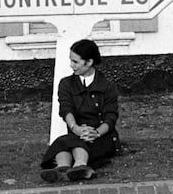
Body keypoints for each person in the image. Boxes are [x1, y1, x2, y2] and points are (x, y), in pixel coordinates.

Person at [40, 39, 120, 182]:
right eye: (71, 61)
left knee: (78, 142)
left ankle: (79, 165)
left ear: (88, 62)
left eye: (75, 62)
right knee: (65, 141)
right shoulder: (66, 84)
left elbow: (111, 117)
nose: (71, 65)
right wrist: (75, 127)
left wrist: (95, 133)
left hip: (101, 136)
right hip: (76, 132)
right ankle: (63, 168)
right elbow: (66, 108)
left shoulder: (108, 86)